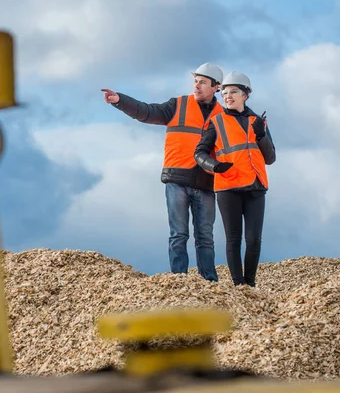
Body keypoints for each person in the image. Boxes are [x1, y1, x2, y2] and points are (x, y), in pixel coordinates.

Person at [101, 63, 225, 281]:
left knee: (205, 237)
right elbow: (147, 112)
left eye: (203, 82)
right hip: (177, 178)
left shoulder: (223, 115)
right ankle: (179, 281)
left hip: (207, 182)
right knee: (179, 234)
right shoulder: (177, 105)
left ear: (216, 87)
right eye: (195, 81)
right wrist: (120, 100)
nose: (197, 86)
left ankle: (210, 282)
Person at [194, 71, 276, 287]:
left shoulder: (259, 122)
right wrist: (215, 166)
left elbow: (271, 158)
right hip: (228, 187)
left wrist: (261, 136)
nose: (227, 96)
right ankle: (239, 284)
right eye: (224, 93)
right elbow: (199, 153)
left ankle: (250, 284)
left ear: (245, 95)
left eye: (233, 92)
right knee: (233, 240)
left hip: (256, 186)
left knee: (254, 240)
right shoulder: (216, 122)